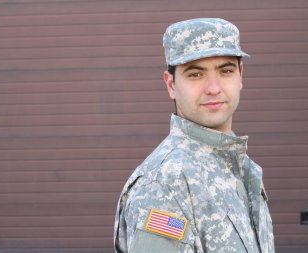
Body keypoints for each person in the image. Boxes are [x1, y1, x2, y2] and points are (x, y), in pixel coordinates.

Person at [113, 18, 275, 253]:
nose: (213, 87)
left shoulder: (241, 167)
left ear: (240, 75)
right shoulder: (166, 183)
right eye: (195, 75)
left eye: (226, 71)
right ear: (171, 85)